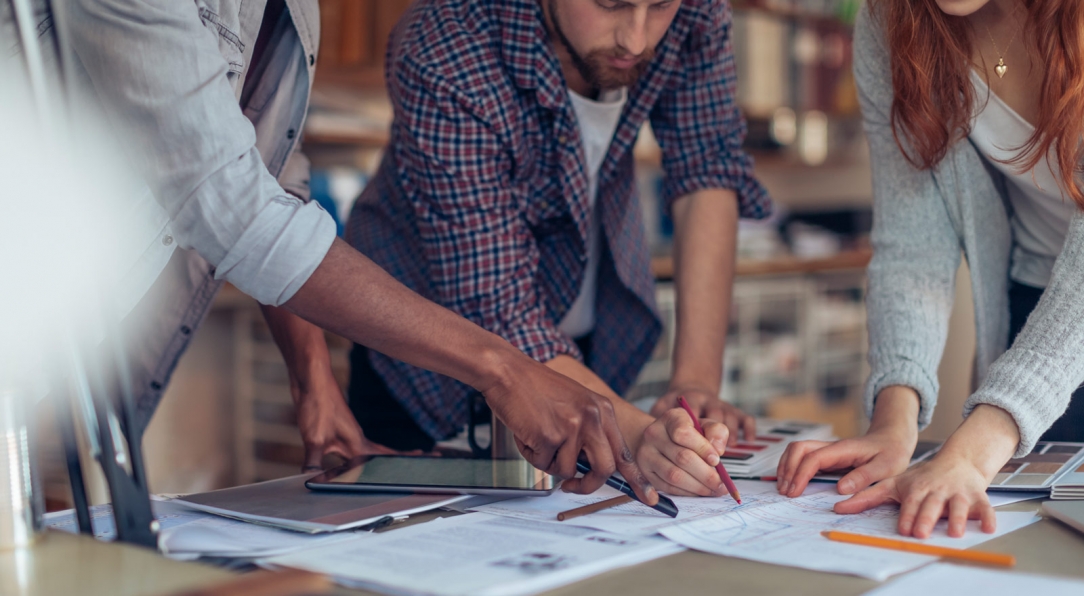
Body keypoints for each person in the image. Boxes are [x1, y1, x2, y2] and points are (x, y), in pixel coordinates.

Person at [3, 0, 669, 503]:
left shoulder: (295, 9)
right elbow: (229, 203)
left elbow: (272, 177)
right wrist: (503, 368)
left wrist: (312, 380)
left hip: (69, 356)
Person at [271, 0, 772, 497]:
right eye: (609, 3)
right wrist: (641, 435)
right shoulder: (448, 41)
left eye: (660, 7)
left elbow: (705, 168)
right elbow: (499, 308)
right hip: (431, 376)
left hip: (591, 362)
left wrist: (695, 386)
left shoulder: (696, 11)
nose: (636, 40)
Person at [775, 0, 1084, 538]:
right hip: (1031, 308)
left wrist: (977, 445)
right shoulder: (891, 23)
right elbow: (912, 240)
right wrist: (894, 421)